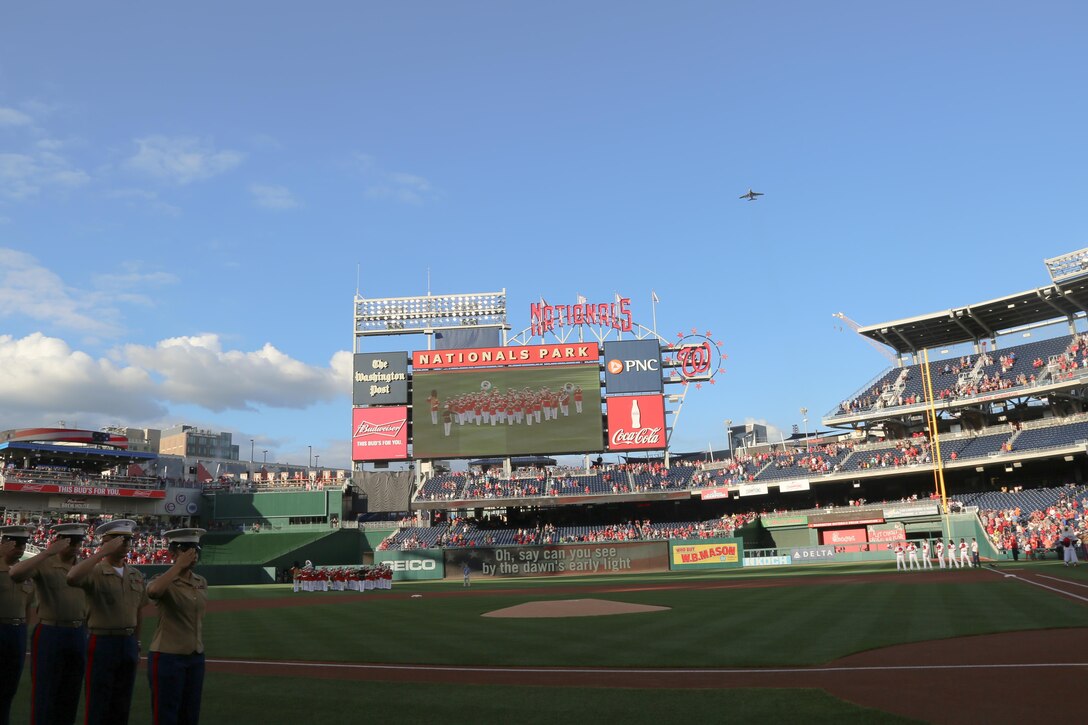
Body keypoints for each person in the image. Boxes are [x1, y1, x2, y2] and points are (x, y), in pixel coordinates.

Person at [67, 519, 149, 725]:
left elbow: (139, 610)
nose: (126, 543)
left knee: (122, 704)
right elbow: (72, 577)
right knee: (98, 703)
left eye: (128, 539)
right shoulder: (94, 570)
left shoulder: (135, 574)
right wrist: (101, 553)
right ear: (106, 542)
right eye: (120, 539)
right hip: (102, 641)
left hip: (128, 642)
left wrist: (137, 643)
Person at [9, 522, 89, 725]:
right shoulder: (44, 563)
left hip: (78, 632)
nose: (74, 546)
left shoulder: (84, 566)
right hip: (50, 631)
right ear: (59, 541)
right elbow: (16, 574)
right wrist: (45, 554)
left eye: (78, 542)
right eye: (70, 542)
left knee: (71, 694)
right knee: (45, 693)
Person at [147, 528, 208, 725]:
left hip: (195, 656)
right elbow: (153, 591)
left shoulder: (201, 582)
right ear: (173, 553)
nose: (193, 554)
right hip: (167, 656)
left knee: (190, 715)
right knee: (166, 716)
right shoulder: (164, 581)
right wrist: (177, 566)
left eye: (195, 549)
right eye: (187, 549)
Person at [0, 525, 34, 725]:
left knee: (9, 687)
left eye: (23, 544)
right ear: (4, 544)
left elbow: (28, 607)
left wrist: (23, 630)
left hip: (17, 632)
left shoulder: (26, 573)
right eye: (15, 544)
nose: (20, 549)